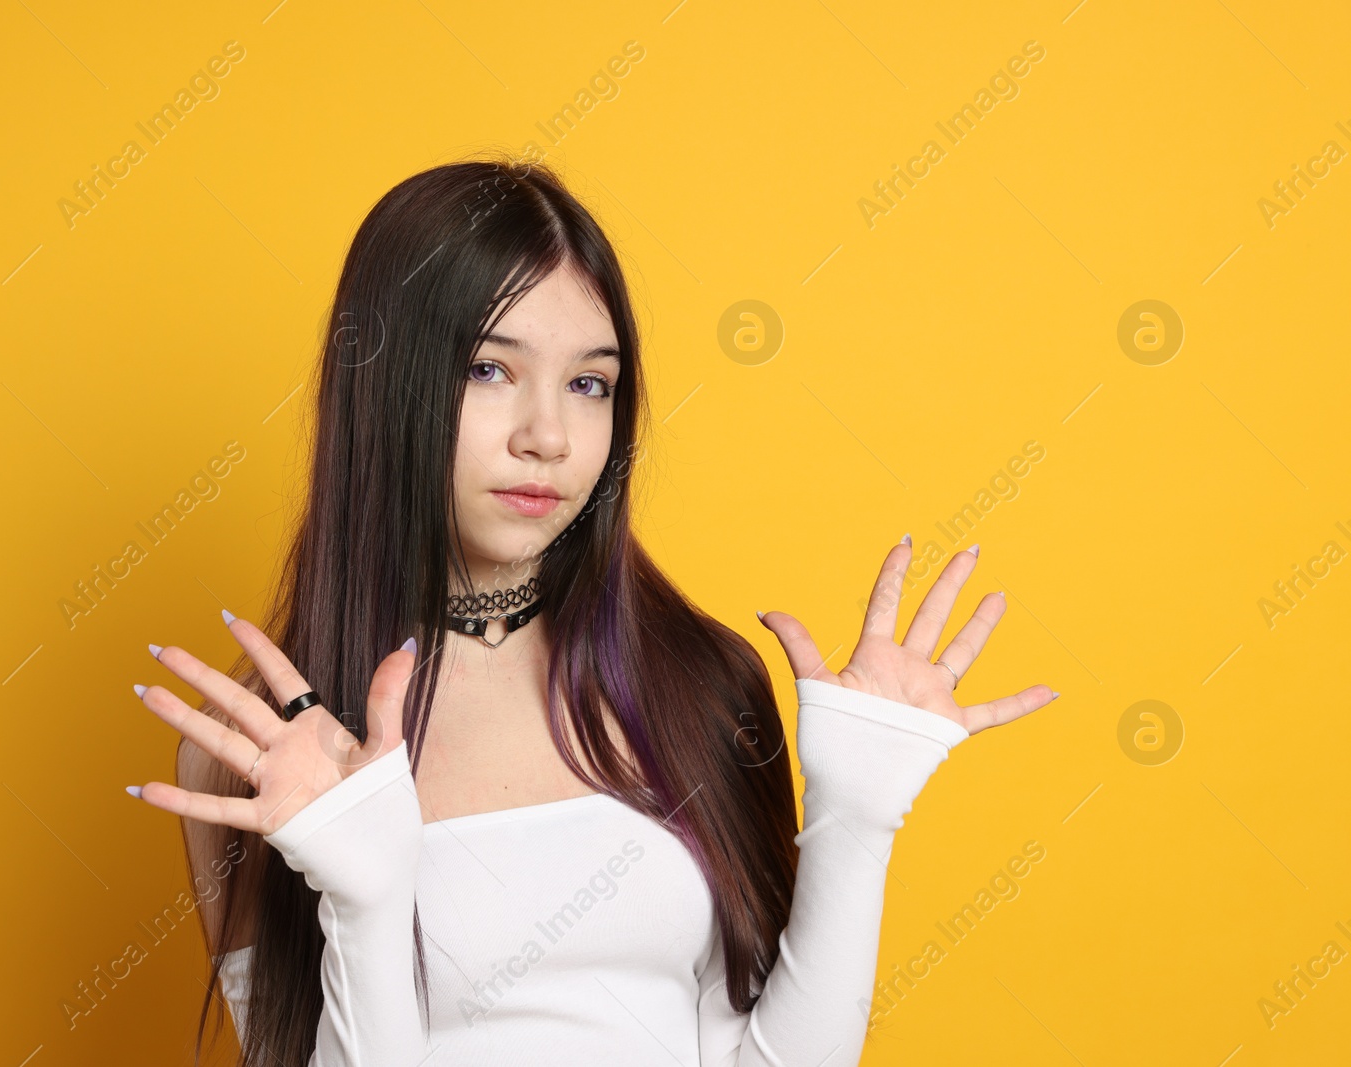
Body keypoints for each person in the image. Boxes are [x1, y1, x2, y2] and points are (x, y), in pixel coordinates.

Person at [123, 156, 1056, 1066]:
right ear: (385, 382)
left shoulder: (702, 685)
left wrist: (857, 817)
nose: (549, 437)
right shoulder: (257, 752)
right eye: (490, 369)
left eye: (589, 383)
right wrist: (365, 907)